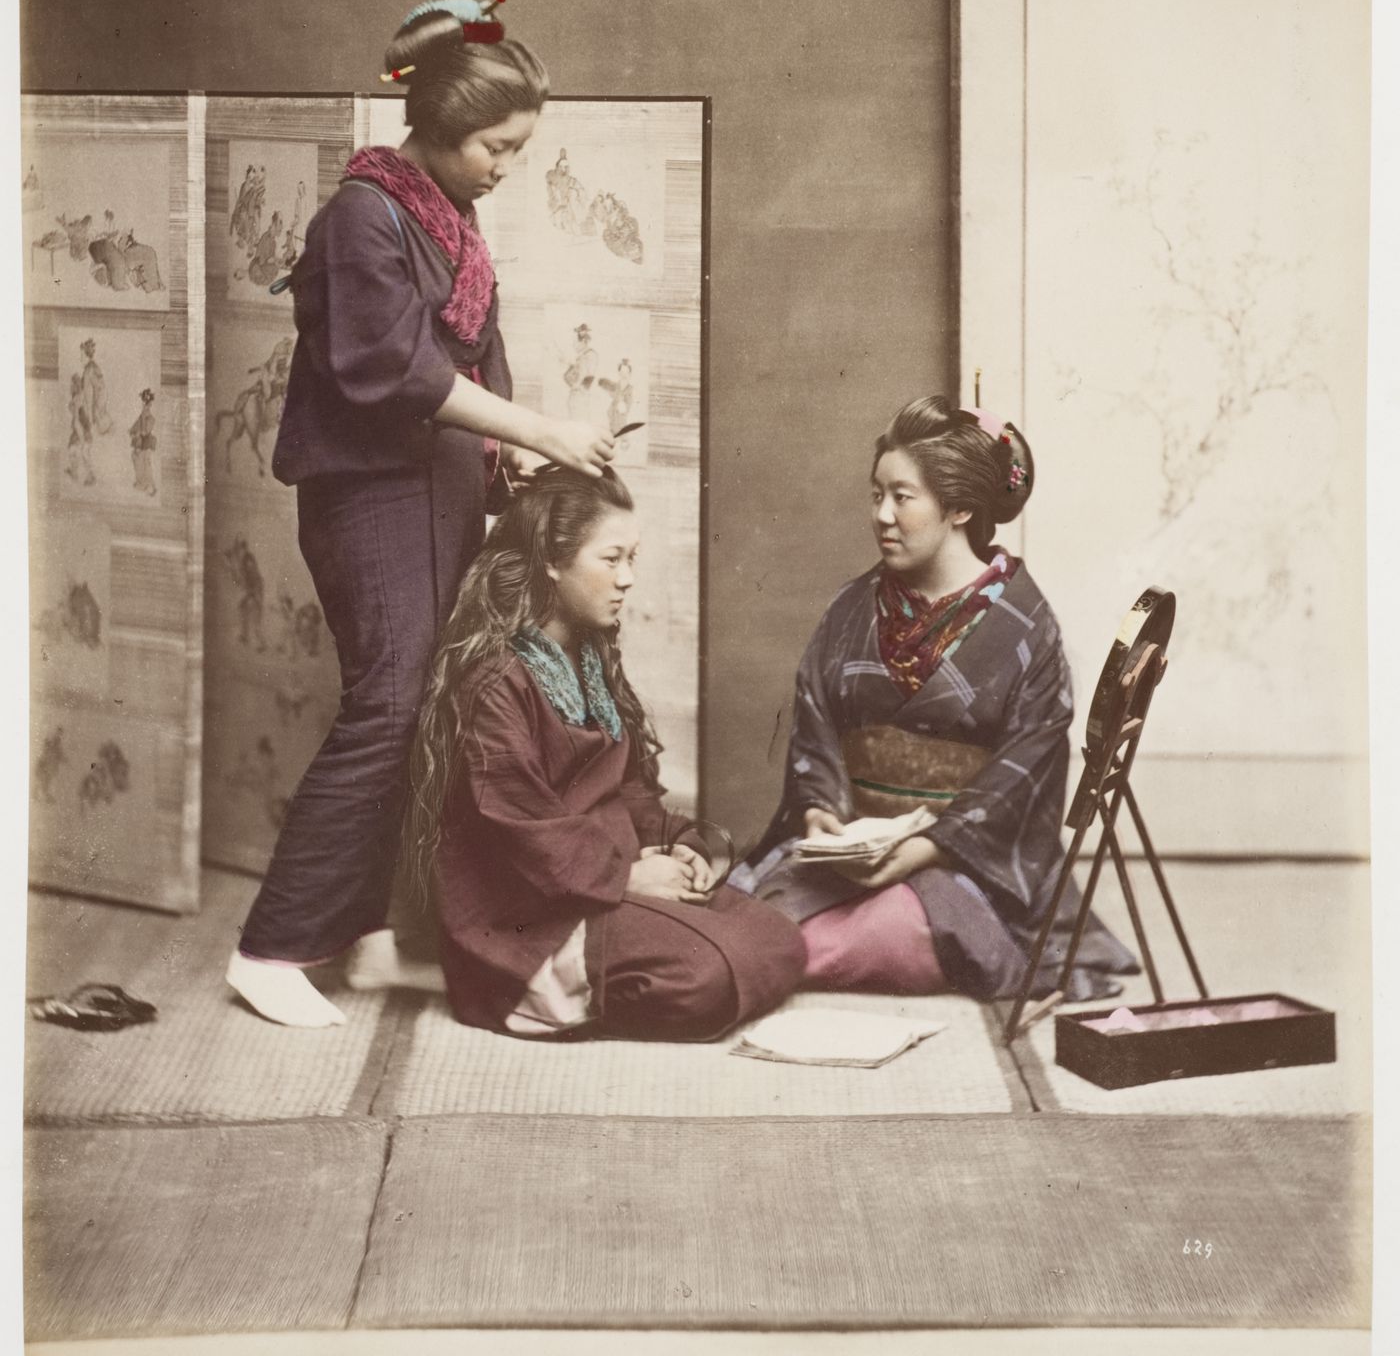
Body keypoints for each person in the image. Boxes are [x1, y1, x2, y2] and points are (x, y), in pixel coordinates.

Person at [227, 0, 616, 1029]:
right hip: (367, 495)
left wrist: (505, 469)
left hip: (435, 489)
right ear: (439, 130)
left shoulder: (450, 217)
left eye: (515, 149)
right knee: (391, 704)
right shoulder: (361, 213)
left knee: (426, 707)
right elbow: (389, 368)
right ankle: (270, 947)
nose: (504, 166)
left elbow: (471, 361)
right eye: (496, 145)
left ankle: (357, 928)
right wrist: (536, 431)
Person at [735, 394, 1137, 1004]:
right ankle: (789, 941)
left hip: (961, 862)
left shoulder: (1027, 628)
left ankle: (800, 949)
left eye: (903, 497)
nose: (882, 516)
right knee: (746, 908)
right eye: (876, 495)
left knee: (898, 926)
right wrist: (821, 811)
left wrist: (921, 850)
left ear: (960, 509)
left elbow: (1021, 776)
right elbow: (815, 730)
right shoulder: (850, 609)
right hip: (854, 848)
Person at [407, 466, 806, 1040]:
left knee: (781, 940)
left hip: (605, 879)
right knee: (709, 974)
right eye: (611, 559)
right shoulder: (494, 683)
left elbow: (626, 789)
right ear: (552, 561)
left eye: (632, 560)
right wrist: (627, 878)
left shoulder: (591, 657)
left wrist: (676, 843)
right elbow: (523, 829)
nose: (627, 580)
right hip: (529, 918)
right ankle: (546, 990)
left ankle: (632, 953)